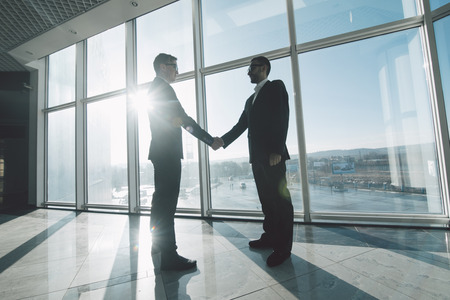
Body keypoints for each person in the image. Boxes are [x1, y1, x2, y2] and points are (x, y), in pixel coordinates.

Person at [147, 53, 222, 271]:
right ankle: (169, 256)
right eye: (174, 66)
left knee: (159, 201)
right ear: (163, 67)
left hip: (160, 152)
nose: (177, 71)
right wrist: (209, 140)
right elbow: (183, 120)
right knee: (167, 204)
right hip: (168, 153)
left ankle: (157, 246)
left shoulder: (155, 88)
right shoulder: (163, 89)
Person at [217, 56, 293, 267]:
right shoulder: (249, 101)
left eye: (251, 68)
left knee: (281, 203)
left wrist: (277, 149)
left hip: (272, 155)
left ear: (264, 68)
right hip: (257, 158)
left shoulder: (276, 86)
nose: (248, 72)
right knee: (267, 201)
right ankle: (269, 237)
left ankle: (283, 249)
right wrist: (222, 141)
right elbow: (241, 126)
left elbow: (282, 116)